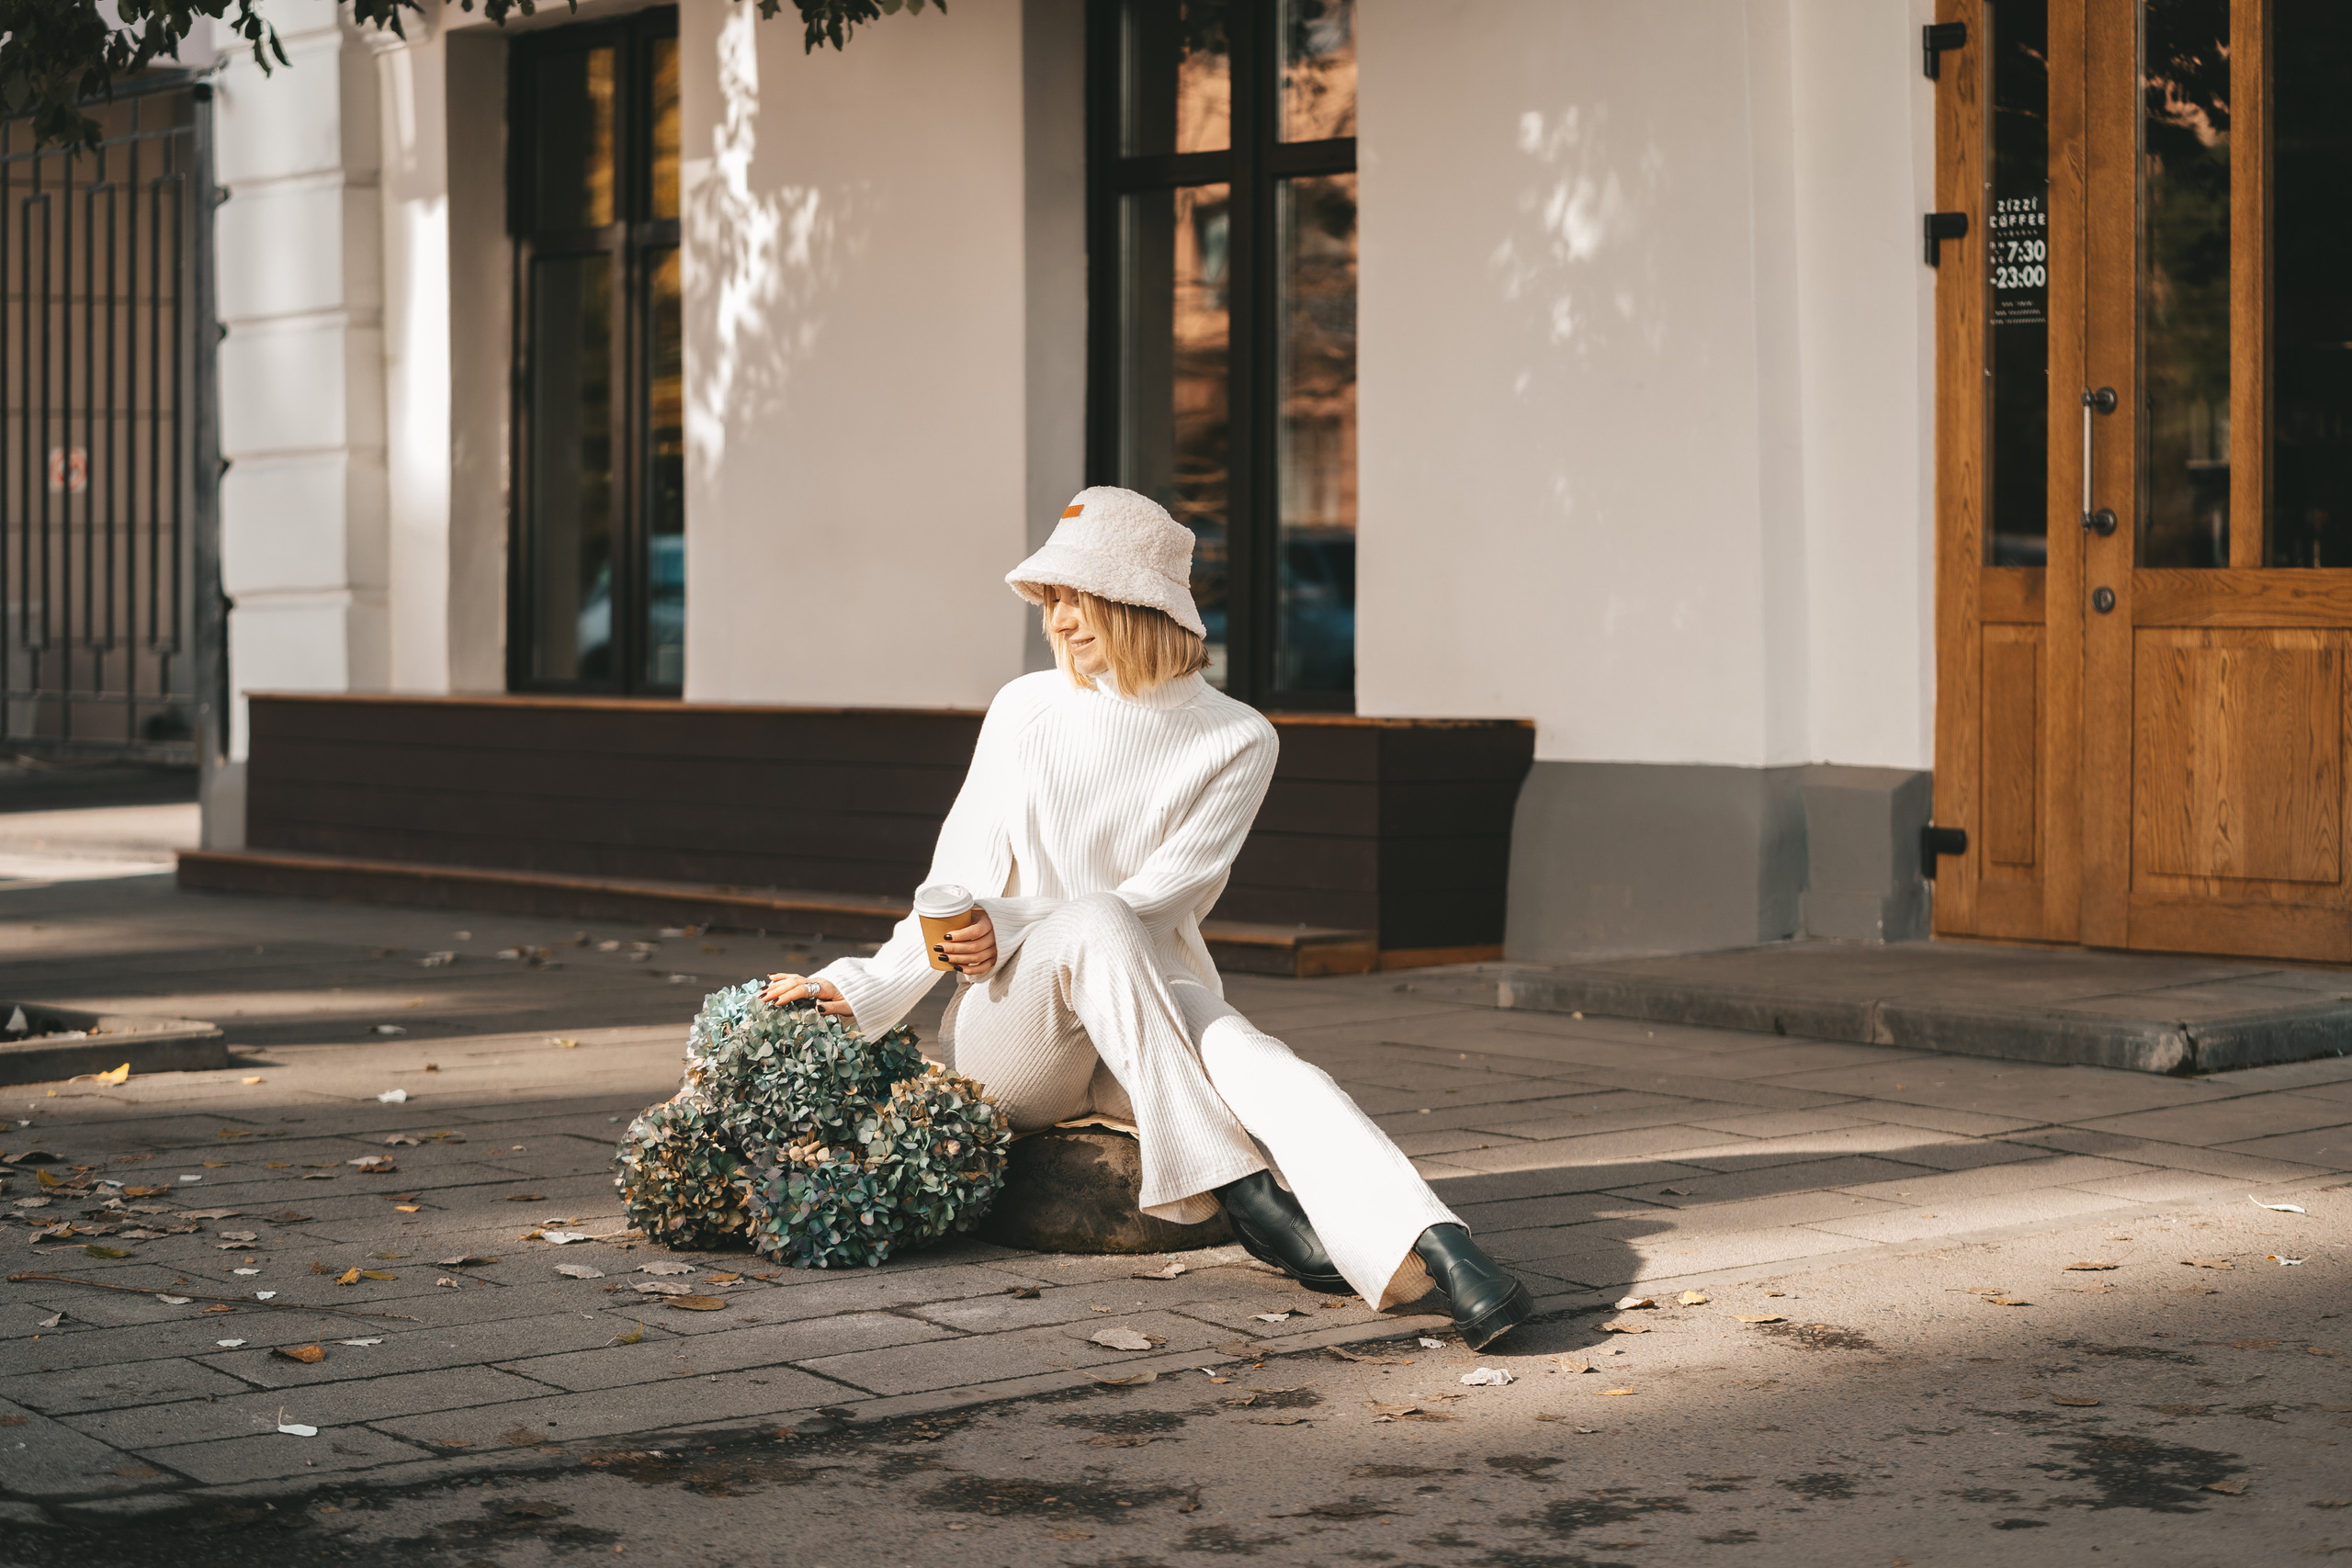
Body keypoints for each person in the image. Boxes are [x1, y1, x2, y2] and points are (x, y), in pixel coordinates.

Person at [762, 486, 1532, 1348]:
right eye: (1051, 599)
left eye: (1081, 597)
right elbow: (953, 886)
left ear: (1145, 604)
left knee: (1259, 1061)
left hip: (1147, 1012)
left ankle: (1445, 1250)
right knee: (1090, 921)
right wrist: (866, 985)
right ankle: (1243, 1190)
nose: (1061, 621)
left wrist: (1008, 913)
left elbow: (1157, 896)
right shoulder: (1025, 710)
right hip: (1019, 1030)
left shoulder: (1237, 737)